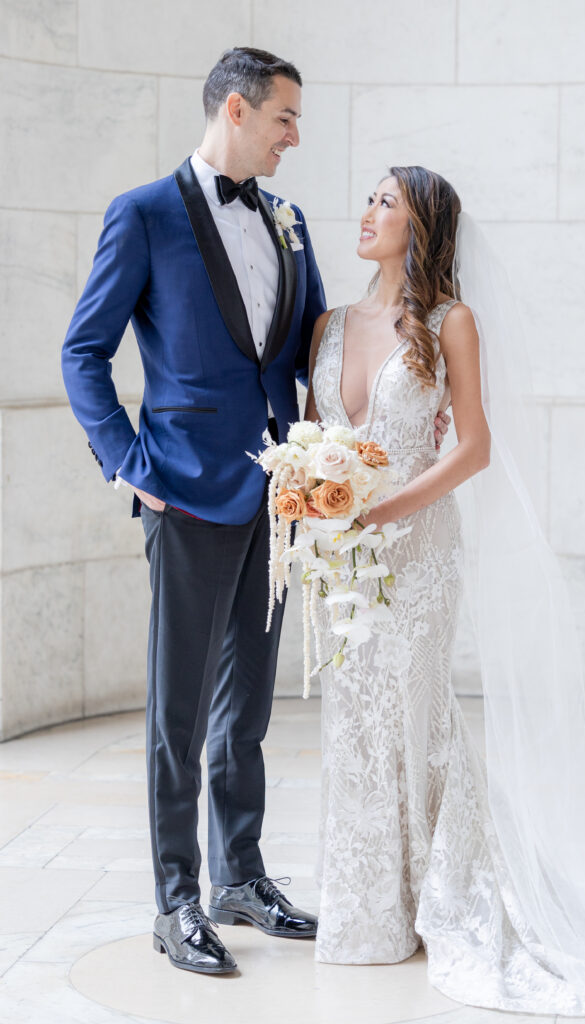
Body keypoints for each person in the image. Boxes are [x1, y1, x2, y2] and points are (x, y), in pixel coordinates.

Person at [305, 165, 585, 1018]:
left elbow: (470, 447)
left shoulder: (450, 323)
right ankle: (371, 910)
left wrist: (385, 511)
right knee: (356, 717)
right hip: (343, 559)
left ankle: (450, 893)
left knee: (416, 711)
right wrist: (313, 499)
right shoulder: (328, 325)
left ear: (423, 226)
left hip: (420, 550)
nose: (366, 212)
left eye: (386, 203)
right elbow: (316, 434)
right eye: (366, 198)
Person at [61, 46, 327, 975]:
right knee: (178, 712)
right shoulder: (141, 214)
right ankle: (176, 899)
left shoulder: (289, 221)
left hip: (279, 499)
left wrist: (331, 456)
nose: (296, 135)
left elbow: (311, 354)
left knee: (244, 705)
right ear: (237, 110)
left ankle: (238, 876)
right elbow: (81, 353)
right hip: (185, 494)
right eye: (285, 117)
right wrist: (131, 464)